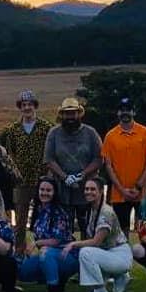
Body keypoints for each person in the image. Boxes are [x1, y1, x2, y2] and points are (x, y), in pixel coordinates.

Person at [61, 176, 133, 292]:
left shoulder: (106, 212)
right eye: (87, 189)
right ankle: (120, 277)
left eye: (93, 189)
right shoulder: (91, 210)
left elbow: (96, 242)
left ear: (101, 192)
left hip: (119, 254)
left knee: (86, 252)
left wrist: (73, 244)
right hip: (109, 252)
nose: (88, 192)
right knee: (88, 253)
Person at [0, 89, 53, 251]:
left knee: (44, 217)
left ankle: (43, 251)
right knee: (20, 220)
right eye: (24, 105)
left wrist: (48, 175)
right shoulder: (13, 130)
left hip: (41, 180)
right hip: (20, 181)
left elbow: (50, 152)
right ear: (20, 107)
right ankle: (19, 253)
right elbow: (10, 155)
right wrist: (15, 175)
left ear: (35, 106)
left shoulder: (46, 127)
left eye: (30, 104)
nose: (27, 108)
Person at [43, 98, 103, 237]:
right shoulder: (54, 133)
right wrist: (65, 177)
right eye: (67, 113)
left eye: (73, 113)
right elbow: (49, 159)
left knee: (87, 228)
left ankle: (86, 255)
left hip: (87, 190)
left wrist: (82, 174)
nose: (70, 117)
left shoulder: (91, 133)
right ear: (62, 115)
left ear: (79, 114)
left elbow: (99, 158)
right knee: (63, 229)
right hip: (61, 190)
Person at [102, 96, 146, 235]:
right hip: (119, 195)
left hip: (143, 193)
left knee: (145, 230)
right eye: (122, 110)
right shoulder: (110, 136)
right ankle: (125, 257)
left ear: (134, 112)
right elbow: (108, 166)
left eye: (128, 110)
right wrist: (122, 190)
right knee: (122, 233)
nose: (125, 113)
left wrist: (138, 187)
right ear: (118, 113)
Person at [17, 176, 78, 292]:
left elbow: (57, 240)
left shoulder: (59, 212)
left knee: (45, 253)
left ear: (54, 192)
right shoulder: (38, 210)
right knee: (22, 270)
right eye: (42, 189)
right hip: (48, 256)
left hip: (66, 255)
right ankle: (56, 279)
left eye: (48, 190)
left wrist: (36, 244)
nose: (44, 193)